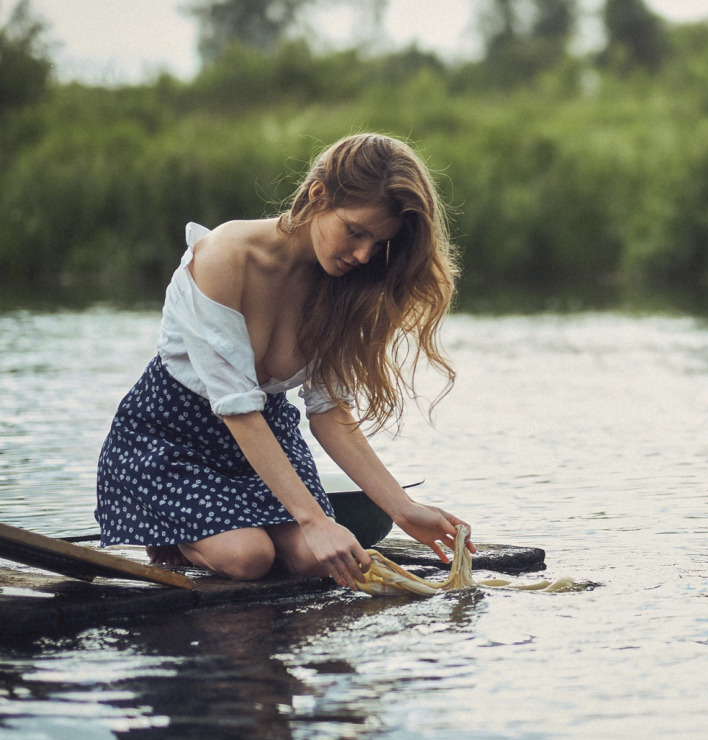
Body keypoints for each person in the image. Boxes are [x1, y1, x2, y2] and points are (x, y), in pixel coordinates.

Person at [95, 132, 471, 589]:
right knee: (247, 557)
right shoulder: (223, 257)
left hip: (266, 438)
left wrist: (403, 509)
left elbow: (330, 411)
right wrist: (314, 521)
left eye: (378, 243)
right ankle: (170, 540)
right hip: (169, 439)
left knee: (319, 560)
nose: (363, 255)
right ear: (318, 195)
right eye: (355, 232)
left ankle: (241, 529)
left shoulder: (343, 286)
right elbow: (236, 406)